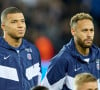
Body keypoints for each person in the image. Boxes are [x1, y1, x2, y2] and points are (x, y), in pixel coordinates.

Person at [41, 12, 100, 90]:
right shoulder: (62, 60)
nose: (89, 35)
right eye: (84, 31)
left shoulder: (98, 55)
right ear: (73, 31)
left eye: (91, 30)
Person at [0, 7, 41, 90]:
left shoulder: (33, 50)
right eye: (14, 22)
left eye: (22, 21)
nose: (20, 25)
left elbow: (38, 83)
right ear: (3, 27)